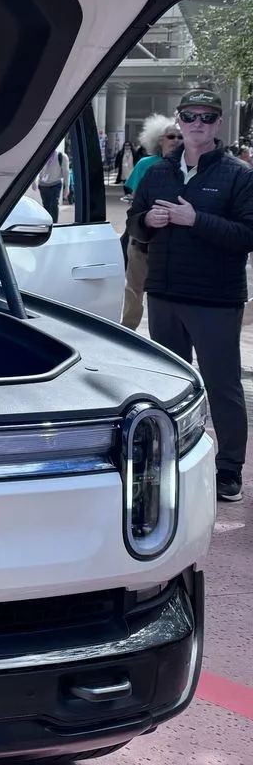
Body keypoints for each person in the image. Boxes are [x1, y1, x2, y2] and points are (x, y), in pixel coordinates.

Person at [127, 88, 253, 503]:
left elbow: (246, 237)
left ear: (218, 125)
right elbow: (135, 227)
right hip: (164, 293)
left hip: (215, 299)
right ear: (178, 122)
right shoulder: (157, 172)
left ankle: (229, 469)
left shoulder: (238, 175)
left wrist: (194, 219)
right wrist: (149, 219)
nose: (197, 124)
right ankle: (169, 462)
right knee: (167, 385)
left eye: (206, 117)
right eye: (189, 116)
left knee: (221, 386)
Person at [118, 115, 181, 331]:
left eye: (180, 137)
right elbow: (135, 202)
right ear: (159, 140)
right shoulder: (146, 164)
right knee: (134, 290)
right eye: (170, 136)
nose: (176, 141)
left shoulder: (190, 166)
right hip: (141, 242)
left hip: (173, 246)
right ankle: (128, 332)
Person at [36, 146, 67, 219]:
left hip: (55, 184)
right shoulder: (41, 156)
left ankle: (54, 224)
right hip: (43, 185)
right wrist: (34, 182)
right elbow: (37, 171)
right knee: (46, 206)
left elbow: (66, 172)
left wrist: (67, 187)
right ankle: (47, 222)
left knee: (54, 205)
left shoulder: (61, 156)